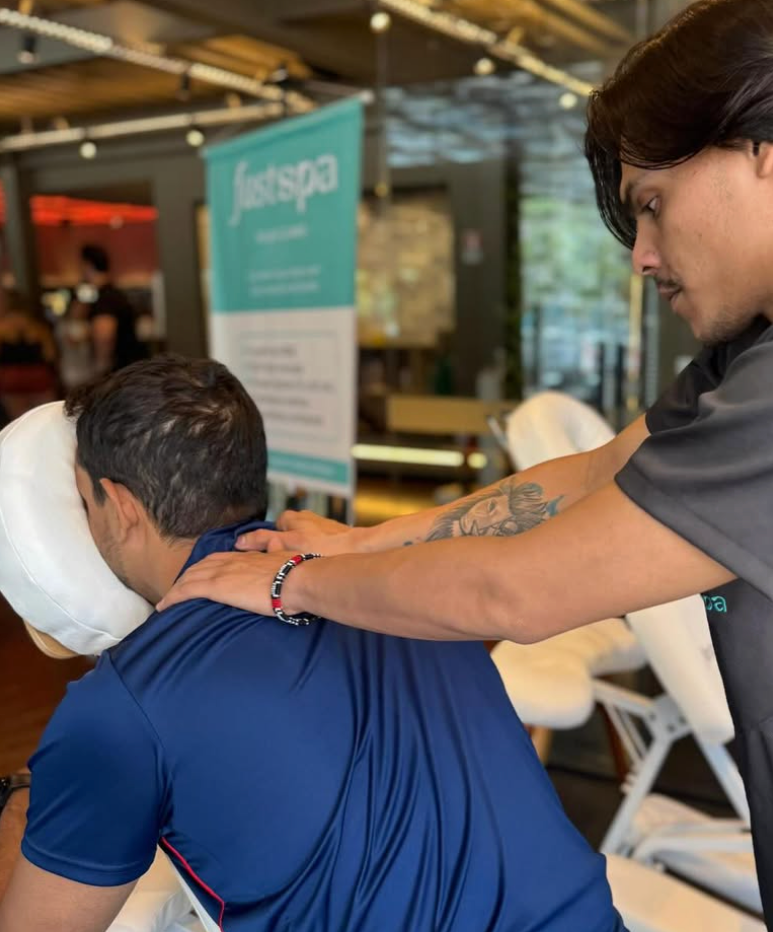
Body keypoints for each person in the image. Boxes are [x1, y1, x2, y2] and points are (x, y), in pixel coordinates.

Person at [162, 2, 773, 930]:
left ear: (767, 148)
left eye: (652, 204)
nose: (643, 255)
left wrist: (291, 585)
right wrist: (362, 544)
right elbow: (595, 473)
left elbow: (518, 592)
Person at [0, 356, 623, 932]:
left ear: (122, 506)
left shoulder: (124, 705)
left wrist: (33, 801)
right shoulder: (410, 585)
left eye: (85, 501)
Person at [77, 244, 147, 376]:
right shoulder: (114, 294)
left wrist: (100, 371)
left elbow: (104, 337)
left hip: (119, 371)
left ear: (88, 265)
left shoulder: (105, 298)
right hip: (130, 368)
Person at [0, 288, 58, 425]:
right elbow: (50, 355)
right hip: (38, 377)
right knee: (44, 420)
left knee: (18, 423)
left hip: (11, 378)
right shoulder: (38, 328)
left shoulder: (2, 327)